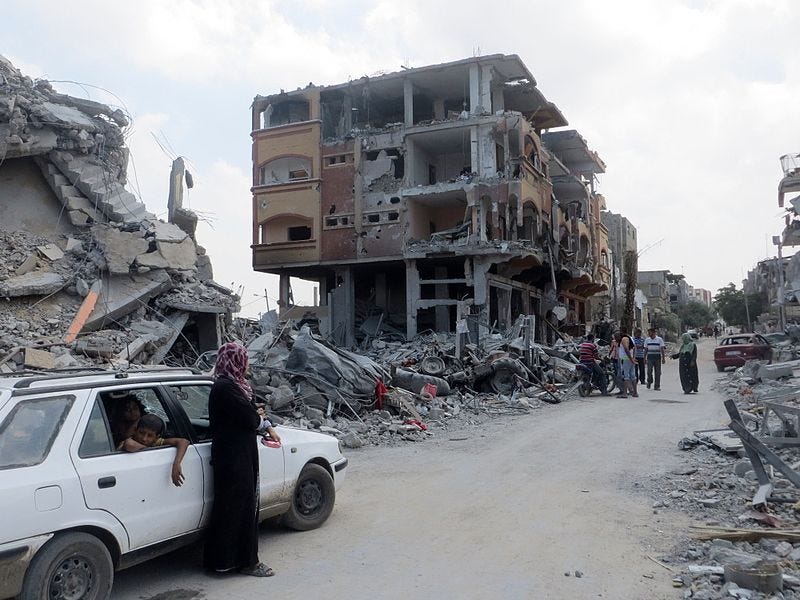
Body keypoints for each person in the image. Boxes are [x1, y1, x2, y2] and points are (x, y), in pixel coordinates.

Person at [203, 342, 281, 578]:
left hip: (235, 455)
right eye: (244, 359)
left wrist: (257, 417)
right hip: (235, 458)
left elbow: (252, 414)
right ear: (237, 361)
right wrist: (257, 419)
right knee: (241, 508)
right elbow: (250, 418)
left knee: (233, 508)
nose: (247, 364)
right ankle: (246, 562)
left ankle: (224, 561)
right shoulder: (226, 388)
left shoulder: (234, 386)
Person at [118, 414, 189, 486]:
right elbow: (130, 445)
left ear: (157, 437)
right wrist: (148, 448)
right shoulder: (130, 440)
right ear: (135, 430)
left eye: (150, 435)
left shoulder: (155, 442)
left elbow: (183, 441)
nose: (144, 438)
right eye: (141, 433)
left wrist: (176, 464)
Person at [615, 330, 638, 398]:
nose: (615, 339)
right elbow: (634, 348)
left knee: (625, 376)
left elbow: (626, 349)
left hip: (625, 359)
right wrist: (633, 358)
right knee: (632, 376)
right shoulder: (629, 338)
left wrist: (631, 359)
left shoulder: (624, 339)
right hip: (629, 359)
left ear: (619, 336)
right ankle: (635, 392)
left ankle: (625, 393)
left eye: (616, 337)